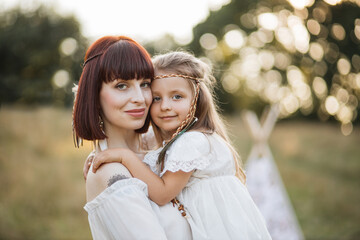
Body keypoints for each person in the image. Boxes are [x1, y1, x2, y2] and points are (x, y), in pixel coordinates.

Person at [90, 51, 272, 239]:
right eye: (157, 98)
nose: (165, 106)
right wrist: (103, 152)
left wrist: (123, 157)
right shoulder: (185, 136)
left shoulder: (191, 142)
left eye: (177, 97)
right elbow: (141, 144)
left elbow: (162, 193)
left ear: (196, 99)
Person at [73, 36, 192, 240]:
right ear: (94, 95)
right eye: (121, 86)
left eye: (145, 84)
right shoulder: (114, 175)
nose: (140, 98)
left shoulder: (163, 147)